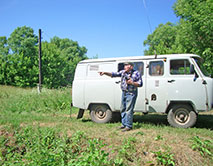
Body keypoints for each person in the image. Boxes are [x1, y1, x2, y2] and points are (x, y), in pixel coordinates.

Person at [99, 62, 143, 132]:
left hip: (131, 93)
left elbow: (140, 84)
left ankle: (128, 126)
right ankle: (124, 124)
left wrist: (132, 83)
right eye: (125, 65)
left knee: (129, 109)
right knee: (122, 108)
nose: (125, 66)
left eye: (126, 65)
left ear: (131, 67)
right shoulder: (123, 72)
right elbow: (113, 74)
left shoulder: (136, 73)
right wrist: (104, 73)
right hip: (124, 92)